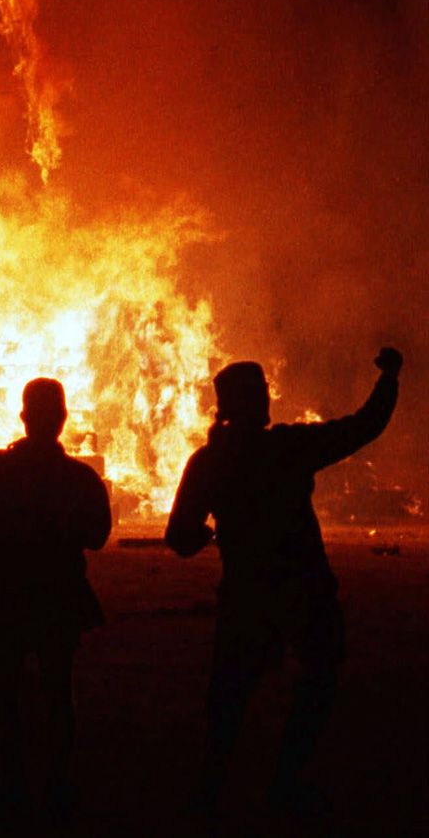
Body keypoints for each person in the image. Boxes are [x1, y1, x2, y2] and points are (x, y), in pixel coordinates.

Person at [165, 346, 403, 818]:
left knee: (230, 694)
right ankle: (285, 780)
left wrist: (214, 531)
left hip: (246, 592)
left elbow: (180, 538)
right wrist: (390, 377)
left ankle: (210, 789)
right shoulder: (288, 447)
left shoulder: (208, 461)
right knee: (319, 674)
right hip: (303, 586)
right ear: (257, 402)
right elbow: (364, 425)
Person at [0, 377, 112, 820]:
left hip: (4, 599)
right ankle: (56, 783)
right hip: (57, 597)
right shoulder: (81, 478)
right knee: (57, 692)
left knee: (4, 696)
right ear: (63, 419)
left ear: (24, 417)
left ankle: (10, 784)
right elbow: (98, 537)